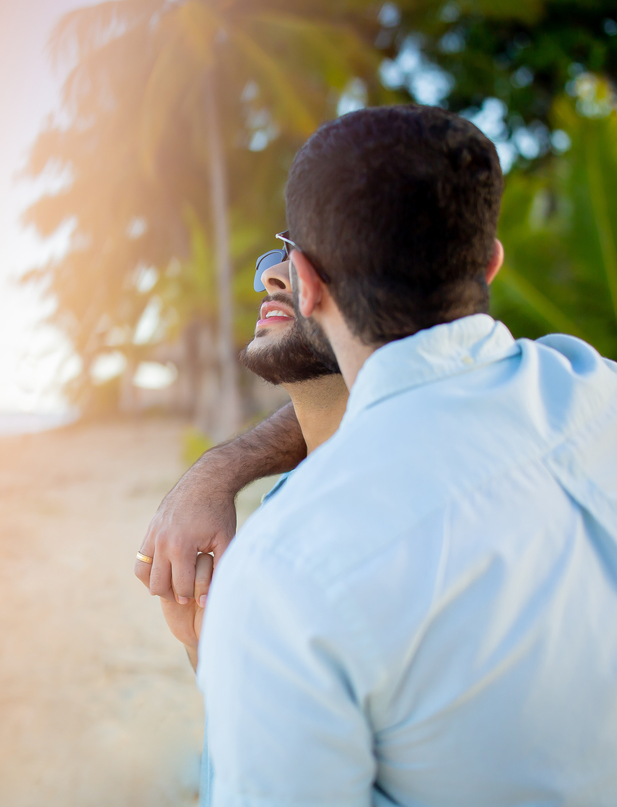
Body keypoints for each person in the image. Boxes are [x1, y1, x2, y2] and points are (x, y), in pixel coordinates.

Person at [168, 104, 617, 804]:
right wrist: (224, 467)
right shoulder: (592, 383)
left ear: (306, 282)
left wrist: (222, 655)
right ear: (490, 263)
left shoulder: (287, 569)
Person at [153, 250, 347, 668]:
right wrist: (201, 643)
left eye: (313, 251)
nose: (271, 276)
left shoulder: (334, 534)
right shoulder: (288, 503)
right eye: (280, 252)